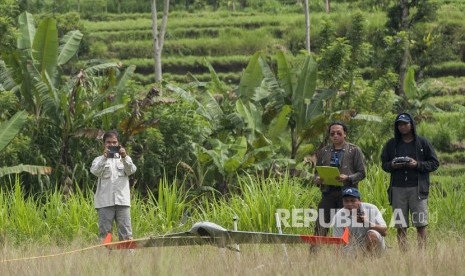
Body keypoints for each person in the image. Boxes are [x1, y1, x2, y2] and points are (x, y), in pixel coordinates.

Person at [381, 113, 439, 251]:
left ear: (411, 124)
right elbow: (384, 164)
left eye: (405, 124)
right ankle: (403, 254)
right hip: (397, 188)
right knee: (400, 225)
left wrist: (417, 164)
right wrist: (393, 165)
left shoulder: (422, 143)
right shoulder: (391, 144)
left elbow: (434, 163)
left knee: (421, 224)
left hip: (417, 189)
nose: (402, 127)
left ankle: (422, 254)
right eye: (399, 124)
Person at [313, 121, 366, 237]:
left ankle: (349, 252)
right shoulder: (324, 151)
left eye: (339, 133)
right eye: (332, 134)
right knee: (320, 225)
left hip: (347, 194)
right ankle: (314, 254)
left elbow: (362, 173)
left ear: (345, 134)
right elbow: (316, 173)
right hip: (328, 193)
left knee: (347, 225)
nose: (335, 136)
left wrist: (348, 177)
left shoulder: (354, 150)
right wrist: (317, 179)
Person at [90, 130, 137, 242]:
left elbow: (132, 170)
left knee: (126, 233)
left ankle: (129, 258)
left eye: (114, 142)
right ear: (104, 144)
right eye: (108, 142)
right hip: (105, 202)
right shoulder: (98, 160)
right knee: (105, 234)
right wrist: (104, 158)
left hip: (122, 202)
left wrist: (125, 157)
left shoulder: (125, 159)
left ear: (118, 143)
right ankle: (105, 258)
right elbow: (95, 171)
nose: (111, 145)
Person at [332, 188, 387, 255]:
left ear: (359, 201)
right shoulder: (338, 216)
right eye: (346, 201)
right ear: (343, 202)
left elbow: (384, 232)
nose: (349, 204)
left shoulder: (371, 209)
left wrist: (367, 223)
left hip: (376, 247)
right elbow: (339, 243)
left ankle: (371, 261)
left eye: (353, 201)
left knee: (372, 235)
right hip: (354, 248)